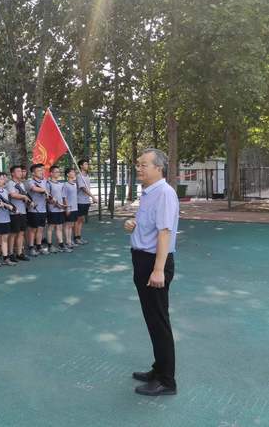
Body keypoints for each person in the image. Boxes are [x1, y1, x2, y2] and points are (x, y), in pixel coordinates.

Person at [124, 149, 179, 396]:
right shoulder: (148, 193)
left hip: (154, 264)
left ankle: (167, 381)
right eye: (138, 164)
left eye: (143, 164)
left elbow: (165, 232)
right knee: (153, 319)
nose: (138, 168)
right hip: (143, 260)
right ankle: (159, 369)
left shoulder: (164, 193)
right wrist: (131, 225)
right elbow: (148, 225)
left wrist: (158, 270)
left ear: (159, 168)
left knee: (158, 320)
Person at [0, 172, 15, 266]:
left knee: (5, 238)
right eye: (0, 179)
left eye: (3, 179)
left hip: (6, 217)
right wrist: (6, 205)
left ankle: (5, 258)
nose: (3, 180)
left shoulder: (5, 191)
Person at [25, 164, 49, 256]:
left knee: (41, 229)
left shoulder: (44, 181)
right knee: (32, 230)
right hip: (33, 210)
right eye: (39, 171)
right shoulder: (30, 181)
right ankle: (31, 247)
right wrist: (44, 190)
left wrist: (48, 196)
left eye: (42, 170)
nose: (41, 172)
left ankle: (39, 246)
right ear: (33, 173)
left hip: (43, 209)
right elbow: (33, 188)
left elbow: (47, 193)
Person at [46, 165, 68, 253]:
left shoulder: (61, 184)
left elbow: (63, 197)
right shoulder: (48, 184)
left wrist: (64, 206)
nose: (58, 173)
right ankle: (50, 245)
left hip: (60, 209)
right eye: (56, 172)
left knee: (59, 227)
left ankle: (61, 244)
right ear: (51, 173)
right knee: (51, 227)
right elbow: (47, 198)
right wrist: (56, 204)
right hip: (52, 210)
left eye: (59, 172)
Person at [75, 159, 96, 245]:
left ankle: (79, 237)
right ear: (81, 166)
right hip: (80, 201)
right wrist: (92, 196)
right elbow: (83, 188)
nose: (87, 165)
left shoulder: (86, 176)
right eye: (85, 164)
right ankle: (76, 238)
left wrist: (90, 198)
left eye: (87, 164)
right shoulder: (79, 176)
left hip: (86, 201)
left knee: (81, 220)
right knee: (78, 220)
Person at [62, 168, 79, 250]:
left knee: (71, 225)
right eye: (72, 172)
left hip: (75, 207)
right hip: (69, 208)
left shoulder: (75, 184)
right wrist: (67, 207)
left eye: (74, 172)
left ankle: (70, 240)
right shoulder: (65, 185)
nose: (74, 173)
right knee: (67, 225)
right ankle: (67, 241)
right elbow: (64, 197)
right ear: (68, 174)